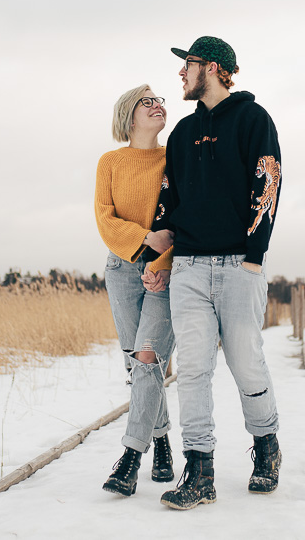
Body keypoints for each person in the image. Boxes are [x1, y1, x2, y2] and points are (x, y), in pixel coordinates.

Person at [147, 36, 283, 510]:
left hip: (236, 266)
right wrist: (158, 254)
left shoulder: (253, 119)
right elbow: (170, 198)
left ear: (213, 68)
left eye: (187, 65)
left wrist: (253, 256)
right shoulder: (183, 133)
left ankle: (266, 446)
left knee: (246, 363)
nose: (181, 74)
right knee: (193, 371)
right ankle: (199, 472)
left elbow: (268, 180)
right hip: (188, 267)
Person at [94, 84, 177, 497]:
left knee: (148, 357)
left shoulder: (174, 157)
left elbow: (183, 214)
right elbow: (105, 220)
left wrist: (161, 264)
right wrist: (146, 238)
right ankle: (161, 440)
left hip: (166, 273)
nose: (159, 105)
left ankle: (130, 457)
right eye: (149, 101)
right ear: (129, 115)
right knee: (137, 364)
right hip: (122, 269)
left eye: (160, 100)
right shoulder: (110, 162)